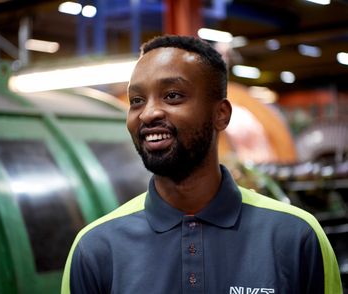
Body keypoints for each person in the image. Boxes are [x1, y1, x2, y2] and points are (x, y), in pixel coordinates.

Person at [61, 35, 342, 294]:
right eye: (136, 100)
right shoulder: (96, 248)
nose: (148, 113)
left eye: (172, 95)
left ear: (221, 114)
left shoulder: (295, 236)